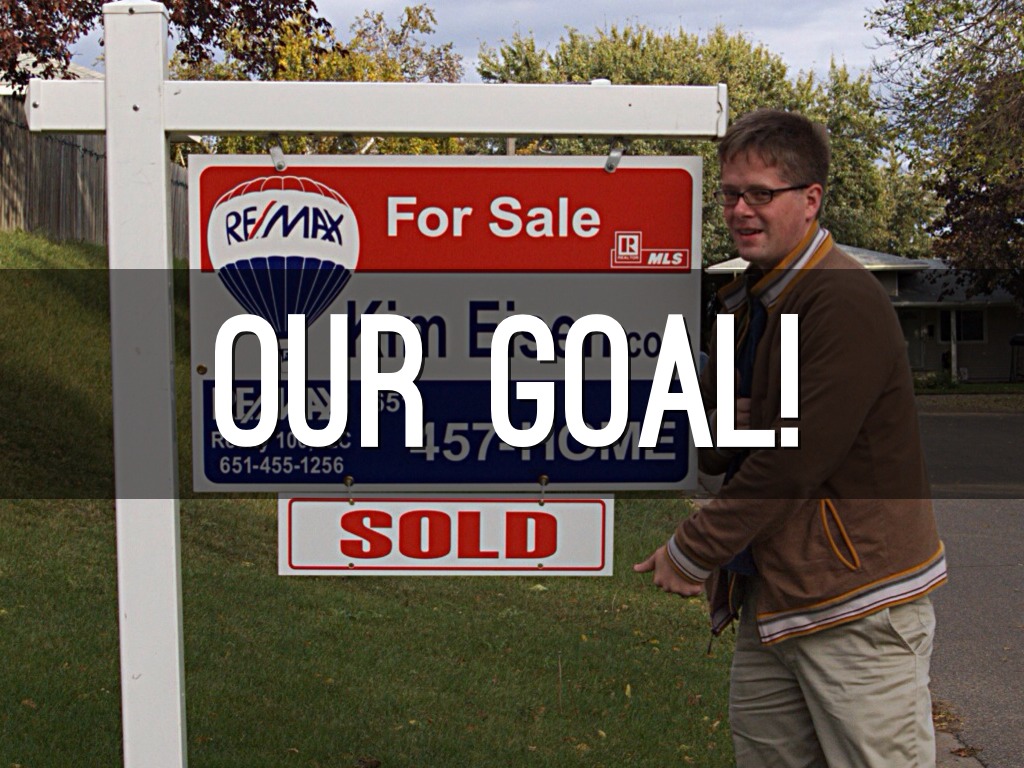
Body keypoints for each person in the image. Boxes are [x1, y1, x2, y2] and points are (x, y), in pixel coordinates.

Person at [634, 109, 947, 767]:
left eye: (760, 193)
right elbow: (714, 444)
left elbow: (792, 462)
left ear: (810, 199)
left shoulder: (841, 301)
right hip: (774, 596)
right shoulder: (745, 302)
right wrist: (742, 416)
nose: (740, 210)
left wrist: (692, 550)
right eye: (730, 193)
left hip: (857, 601)